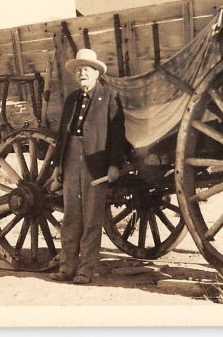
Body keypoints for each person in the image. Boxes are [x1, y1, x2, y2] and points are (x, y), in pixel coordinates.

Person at [49, 48, 126, 284]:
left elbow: (117, 134)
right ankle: (66, 268)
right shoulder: (72, 99)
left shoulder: (109, 97)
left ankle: (86, 270)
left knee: (92, 216)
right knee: (71, 214)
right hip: (71, 157)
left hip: (97, 162)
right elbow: (63, 135)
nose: (82, 73)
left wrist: (114, 165)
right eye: (79, 70)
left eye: (87, 69)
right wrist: (57, 167)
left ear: (96, 73)